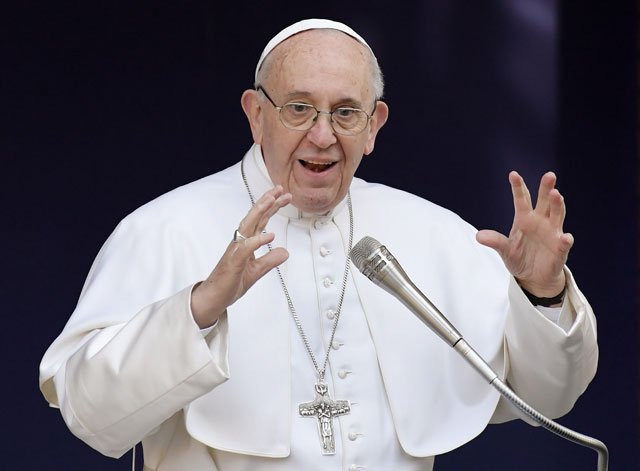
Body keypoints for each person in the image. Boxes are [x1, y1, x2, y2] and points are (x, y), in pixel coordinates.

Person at [39, 18, 598, 471]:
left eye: (346, 112)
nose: (323, 134)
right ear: (257, 116)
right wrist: (198, 309)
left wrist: (541, 295)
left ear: (374, 125)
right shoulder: (163, 229)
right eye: (299, 108)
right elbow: (89, 415)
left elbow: (547, 399)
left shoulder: (433, 231)